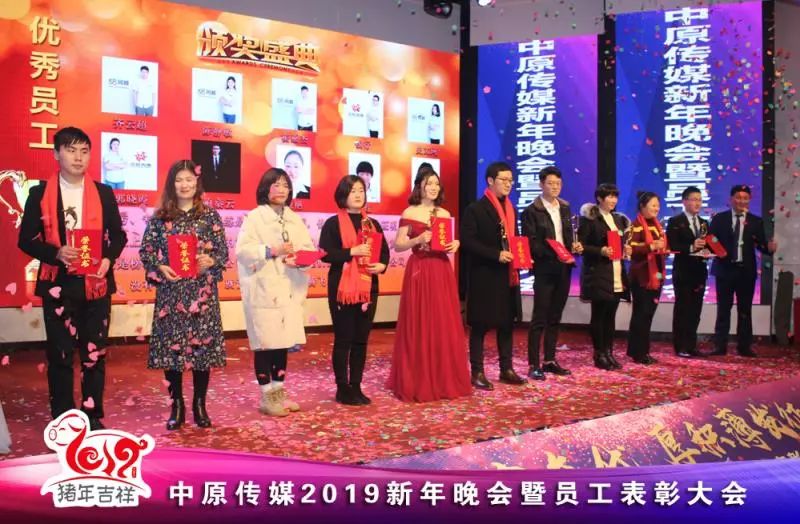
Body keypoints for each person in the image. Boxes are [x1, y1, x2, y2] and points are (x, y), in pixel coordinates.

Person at [18, 126, 127, 430]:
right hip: (58, 283)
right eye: (71, 150)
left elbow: (118, 235)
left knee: (94, 354)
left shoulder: (103, 193)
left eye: (84, 151)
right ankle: (64, 418)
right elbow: (26, 240)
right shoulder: (39, 194)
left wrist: (108, 258)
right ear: (57, 154)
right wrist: (56, 253)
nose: (78, 157)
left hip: (96, 283)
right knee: (61, 354)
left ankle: (92, 415)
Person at [139, 160, 228, 430]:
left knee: (203, 350)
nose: (185, 185)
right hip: (172, 293)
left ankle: (200, 404)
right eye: (179, 180)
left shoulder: (210, 216)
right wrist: (160, 267)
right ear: (171, 184)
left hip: (202, 293)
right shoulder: (160, 218)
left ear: (197, 183)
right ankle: (176, 405)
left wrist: (210, 261)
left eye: (189, 179)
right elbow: (146, 252)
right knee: (172, 352)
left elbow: (222, 252)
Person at [387, 168, 471, 402]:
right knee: (419, 321)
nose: (433, 188)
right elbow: (398, 245)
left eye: (436, 184)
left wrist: (455, 243)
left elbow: (445, 241)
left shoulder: (444, 212)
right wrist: (417, 239)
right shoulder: (410, 211)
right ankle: (418, 378)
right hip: (420, 270)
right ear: (419, 187)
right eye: (428, 183)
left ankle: (442, 378)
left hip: (441, 269)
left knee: (442, 322)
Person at [236, 168, 314, 416]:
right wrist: (272, 251)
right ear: (265, 188)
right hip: (263, 290)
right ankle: (266, 397)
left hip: (288, 289)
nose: (281, 190)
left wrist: (299, 260)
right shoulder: (255, 217)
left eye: (285, 185)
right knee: (265, 344)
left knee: (282, 343)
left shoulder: (294, 218)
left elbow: (307, 248)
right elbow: (243, 251)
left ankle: (279, 393)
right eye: (276, 184)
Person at [319, 176, 389, 405]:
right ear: (343, 195)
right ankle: (342, 388)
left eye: (361, 190)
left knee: (361, 340)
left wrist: (382, 265)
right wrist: (352, 252)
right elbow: (325, 254)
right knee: (344, 339)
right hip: (342, 288)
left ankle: (356, 386)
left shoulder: (372, 223)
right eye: (353, 191)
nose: (358, 195)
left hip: (369, 287)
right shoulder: (333, 223)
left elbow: (384, 252)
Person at [461, 162, 527, 390]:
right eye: (504, 180)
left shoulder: (511, 209)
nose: (508, 184)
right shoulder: (476, 209)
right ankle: (477, 371)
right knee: (480, 325)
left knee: (507, 323)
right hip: (485, 274)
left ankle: (506, 368)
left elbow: (515, 239)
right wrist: (495, 254)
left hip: (507, 275)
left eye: (511, 180)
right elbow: (468, 241)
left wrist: (522, 256)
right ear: (490, 181)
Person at [520, 166, 583, 380]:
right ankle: (533, 364)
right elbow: (531, 244)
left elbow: (569, 236)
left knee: (555, 316)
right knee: (540, 317)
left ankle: (549, 360)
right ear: (541, 184)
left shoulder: (565, 207)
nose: (555, 187)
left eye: (558, 183)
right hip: (545, 269)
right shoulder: (531, 211)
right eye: (550, 183)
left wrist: (574, 246)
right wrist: (555, 252)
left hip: (564, 268)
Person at [708, 185, 777, 357]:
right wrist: (718, 252)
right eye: (738, 197)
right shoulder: (719, 219)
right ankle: (720, 346)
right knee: (723, 309)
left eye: (745, 198)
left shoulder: (756, 221)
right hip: (724, 270)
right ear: (731, 199)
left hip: (746, 272)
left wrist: (769, 249)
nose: (741, 201)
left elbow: (761, 245)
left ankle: (744, 346)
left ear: (749, 200)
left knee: (745, 310)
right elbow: (711, 240)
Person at [578, 183, 630, 371]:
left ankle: (609, 352)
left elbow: (620, 244)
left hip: (616, 272)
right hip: (599, 273)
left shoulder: (618, 219)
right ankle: (599, 354)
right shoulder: (590, 220)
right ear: (599, 198)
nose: (613, 200)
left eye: (615, 196)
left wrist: (626, 249)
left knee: (610, 316)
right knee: (599, 316)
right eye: (609, 196)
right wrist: (600, 250)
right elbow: (581, 246)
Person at [666, 186, 709, 358]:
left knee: (695, 310)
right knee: (682, 309)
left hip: (700, 272)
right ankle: (680, 346)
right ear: (684, 201)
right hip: (683, 272)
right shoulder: (675, 221)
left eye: (699, 199)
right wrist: (691, 246)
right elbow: (673, 245)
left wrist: (708, 251)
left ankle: (691, 345)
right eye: (693, 199)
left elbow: (708, 244)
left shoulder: (704, 223)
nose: (697, 203)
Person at [626, 191, 667, 365]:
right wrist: (650, 246)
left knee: (648, 314)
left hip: (656, 275)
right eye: (653, 205)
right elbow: (630, 248)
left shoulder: (657, 225)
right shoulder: (636, 225)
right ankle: (638, 352)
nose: (657, 208)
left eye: (658, 205)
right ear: (642, 206)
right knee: (641, 314)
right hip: (642, 277)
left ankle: (642, 351)